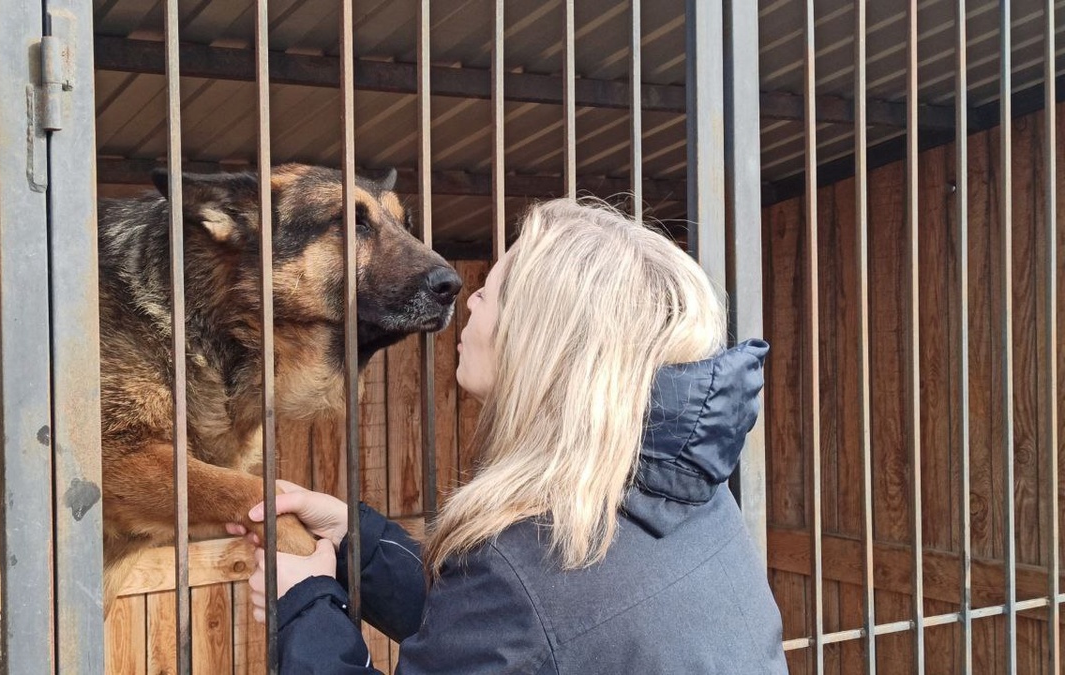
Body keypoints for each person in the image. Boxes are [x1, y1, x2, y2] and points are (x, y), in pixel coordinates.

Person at [230, 198, 788, 673]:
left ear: (540, 338)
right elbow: (527, 634)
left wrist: (304, 604)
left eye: (490, 292)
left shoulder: (529, 557)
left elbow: (523, 613)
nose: (469, 298)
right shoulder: (685, 497)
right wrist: (359, 544)